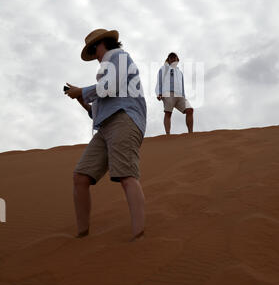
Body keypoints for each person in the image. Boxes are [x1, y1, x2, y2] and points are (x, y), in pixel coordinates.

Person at [65, 28, 147, 242]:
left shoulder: (118, 57)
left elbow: (109, 88)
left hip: (124, 118)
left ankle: (139, 237)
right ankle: (82, 235)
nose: (95, 56)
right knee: (80, 176)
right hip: (105, 127)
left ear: (102, 45)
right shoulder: (104, 74)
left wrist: (82, 91)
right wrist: (82, 100)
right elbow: (97, 111)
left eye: (94, 50)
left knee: (127, 175)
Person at [155, 52, 193, 135]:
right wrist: (159, 93)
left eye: (174, 58)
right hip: (168, 93)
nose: (172, 59)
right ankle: (168, 134)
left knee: (190, 110)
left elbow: (182, 86)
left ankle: (191, 134)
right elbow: (159, 81)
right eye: (171, 58)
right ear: (168, 59)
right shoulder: (164, 69)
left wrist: (184, 96)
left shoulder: (180, 73)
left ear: (177, 60)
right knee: (168, 113)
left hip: (180, 95)